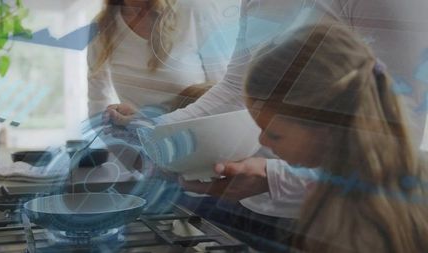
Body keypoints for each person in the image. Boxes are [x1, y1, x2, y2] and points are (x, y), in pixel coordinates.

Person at [107, 0, 428, 218]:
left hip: (345, 218)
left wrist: (278, 179)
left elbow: (398, 137)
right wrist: (153, 128)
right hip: (254, 205)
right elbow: (235, 89)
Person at [240, 23, 428, 253]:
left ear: (327, 129)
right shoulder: (399, 174)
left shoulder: (349, 220)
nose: (263, 142)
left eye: (275, 134)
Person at [87, 0, 240, 117]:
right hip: (138, 146)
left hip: (198, 142)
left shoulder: (193, 10)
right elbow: (97, 101)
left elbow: (225, 89)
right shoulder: (102, 26)